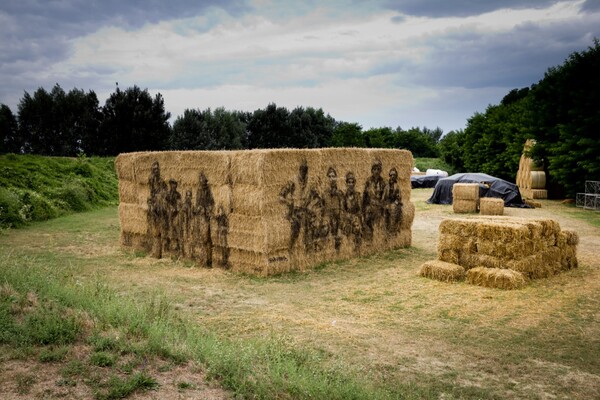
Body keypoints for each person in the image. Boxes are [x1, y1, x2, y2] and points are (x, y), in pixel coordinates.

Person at [362, 160, 385, 241]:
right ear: (372, 170)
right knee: (367, 217)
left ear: (380, 171)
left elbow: (384, 196)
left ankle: (377, 236)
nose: (376, 171)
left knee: (378, 217)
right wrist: (364, 207)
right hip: (370, 205)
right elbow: (365, 195)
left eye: (378, 169)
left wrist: (381, 204)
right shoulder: (368, 181)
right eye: (374, 169)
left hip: (379, 205)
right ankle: (369, 236)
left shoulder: (382, 182)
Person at [383, 167, 403, 234]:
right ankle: (386, 231)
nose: (392, 176)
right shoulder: (386, 185)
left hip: (394, 203)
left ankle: (393, 230)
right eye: (391, 175)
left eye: (394, 175)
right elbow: (384, 196)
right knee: (385, 212)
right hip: (387, 202)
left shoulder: (397, 186)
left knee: (394, 210)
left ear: (396, 176)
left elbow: (399, 197)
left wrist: (396, 202)